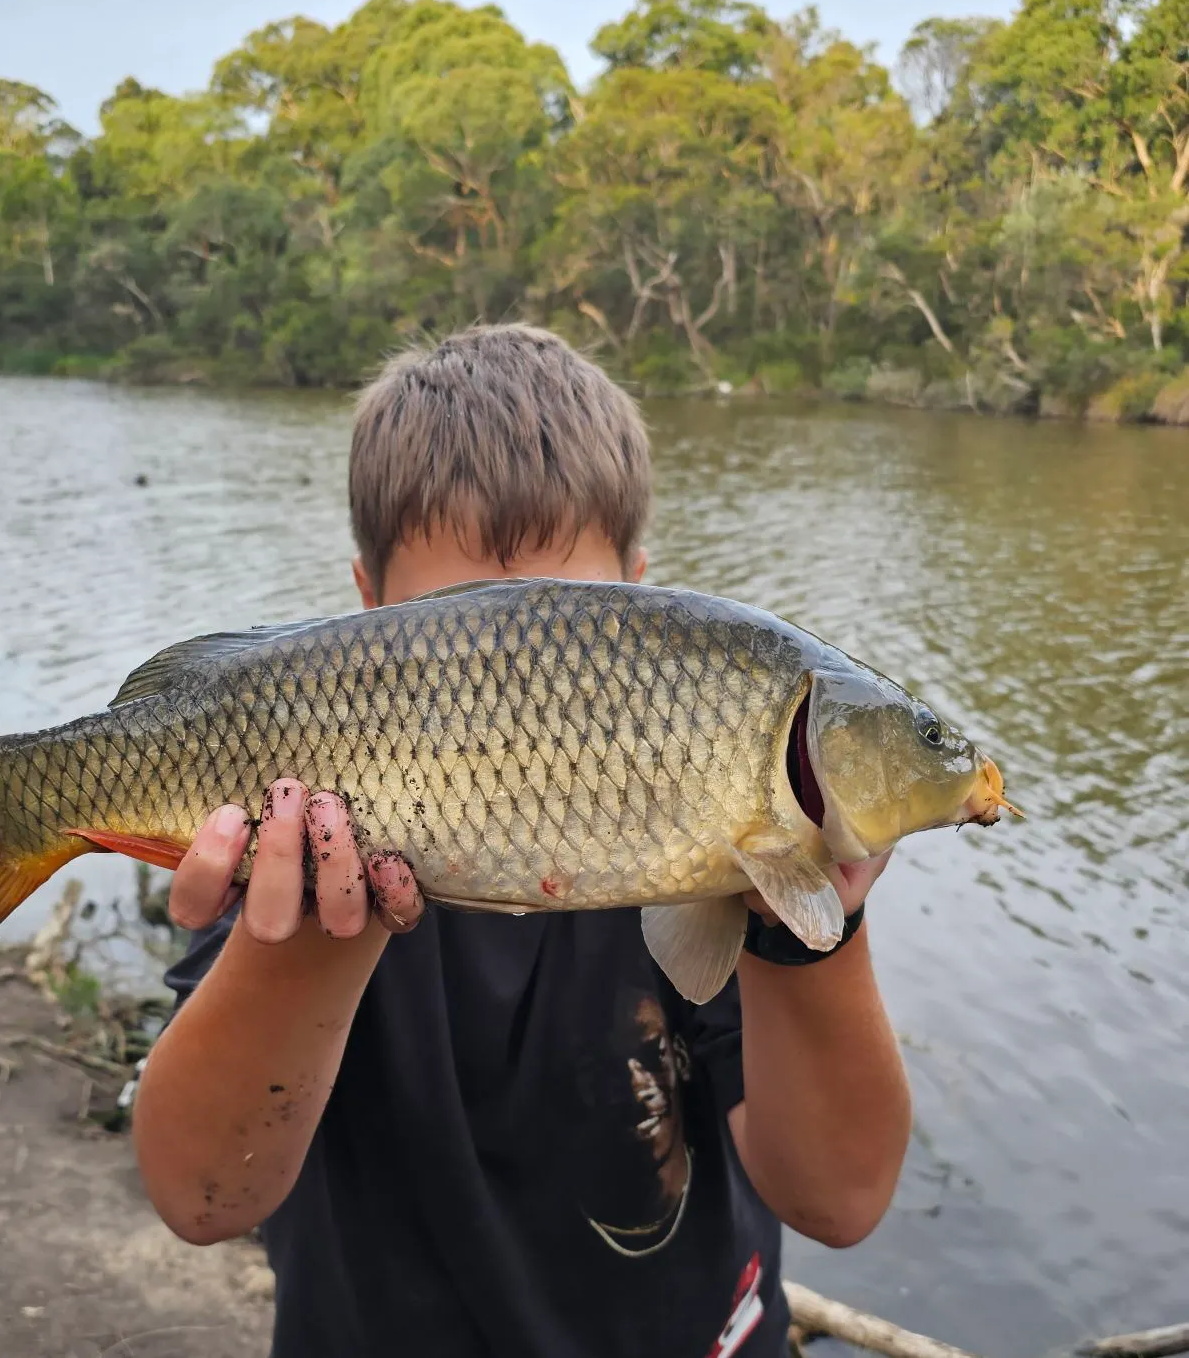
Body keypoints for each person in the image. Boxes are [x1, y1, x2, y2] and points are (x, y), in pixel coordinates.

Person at [132, 324, 911, 1358]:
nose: (511, 685)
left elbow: (841, 1199)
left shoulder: (720, 843)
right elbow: (199, 1196)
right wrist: (314, 942)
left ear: (644, 598)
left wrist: (811, 933)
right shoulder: (289, 842)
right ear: (360, 612)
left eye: (563, 624)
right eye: (462, 630)